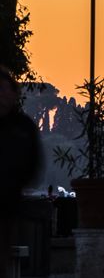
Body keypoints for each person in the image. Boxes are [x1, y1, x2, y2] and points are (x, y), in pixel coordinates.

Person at [0, 68, 41, 278]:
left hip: (7, 205)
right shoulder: (23, 127)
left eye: (4, 90)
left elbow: (33, 161)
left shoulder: (23, 126)